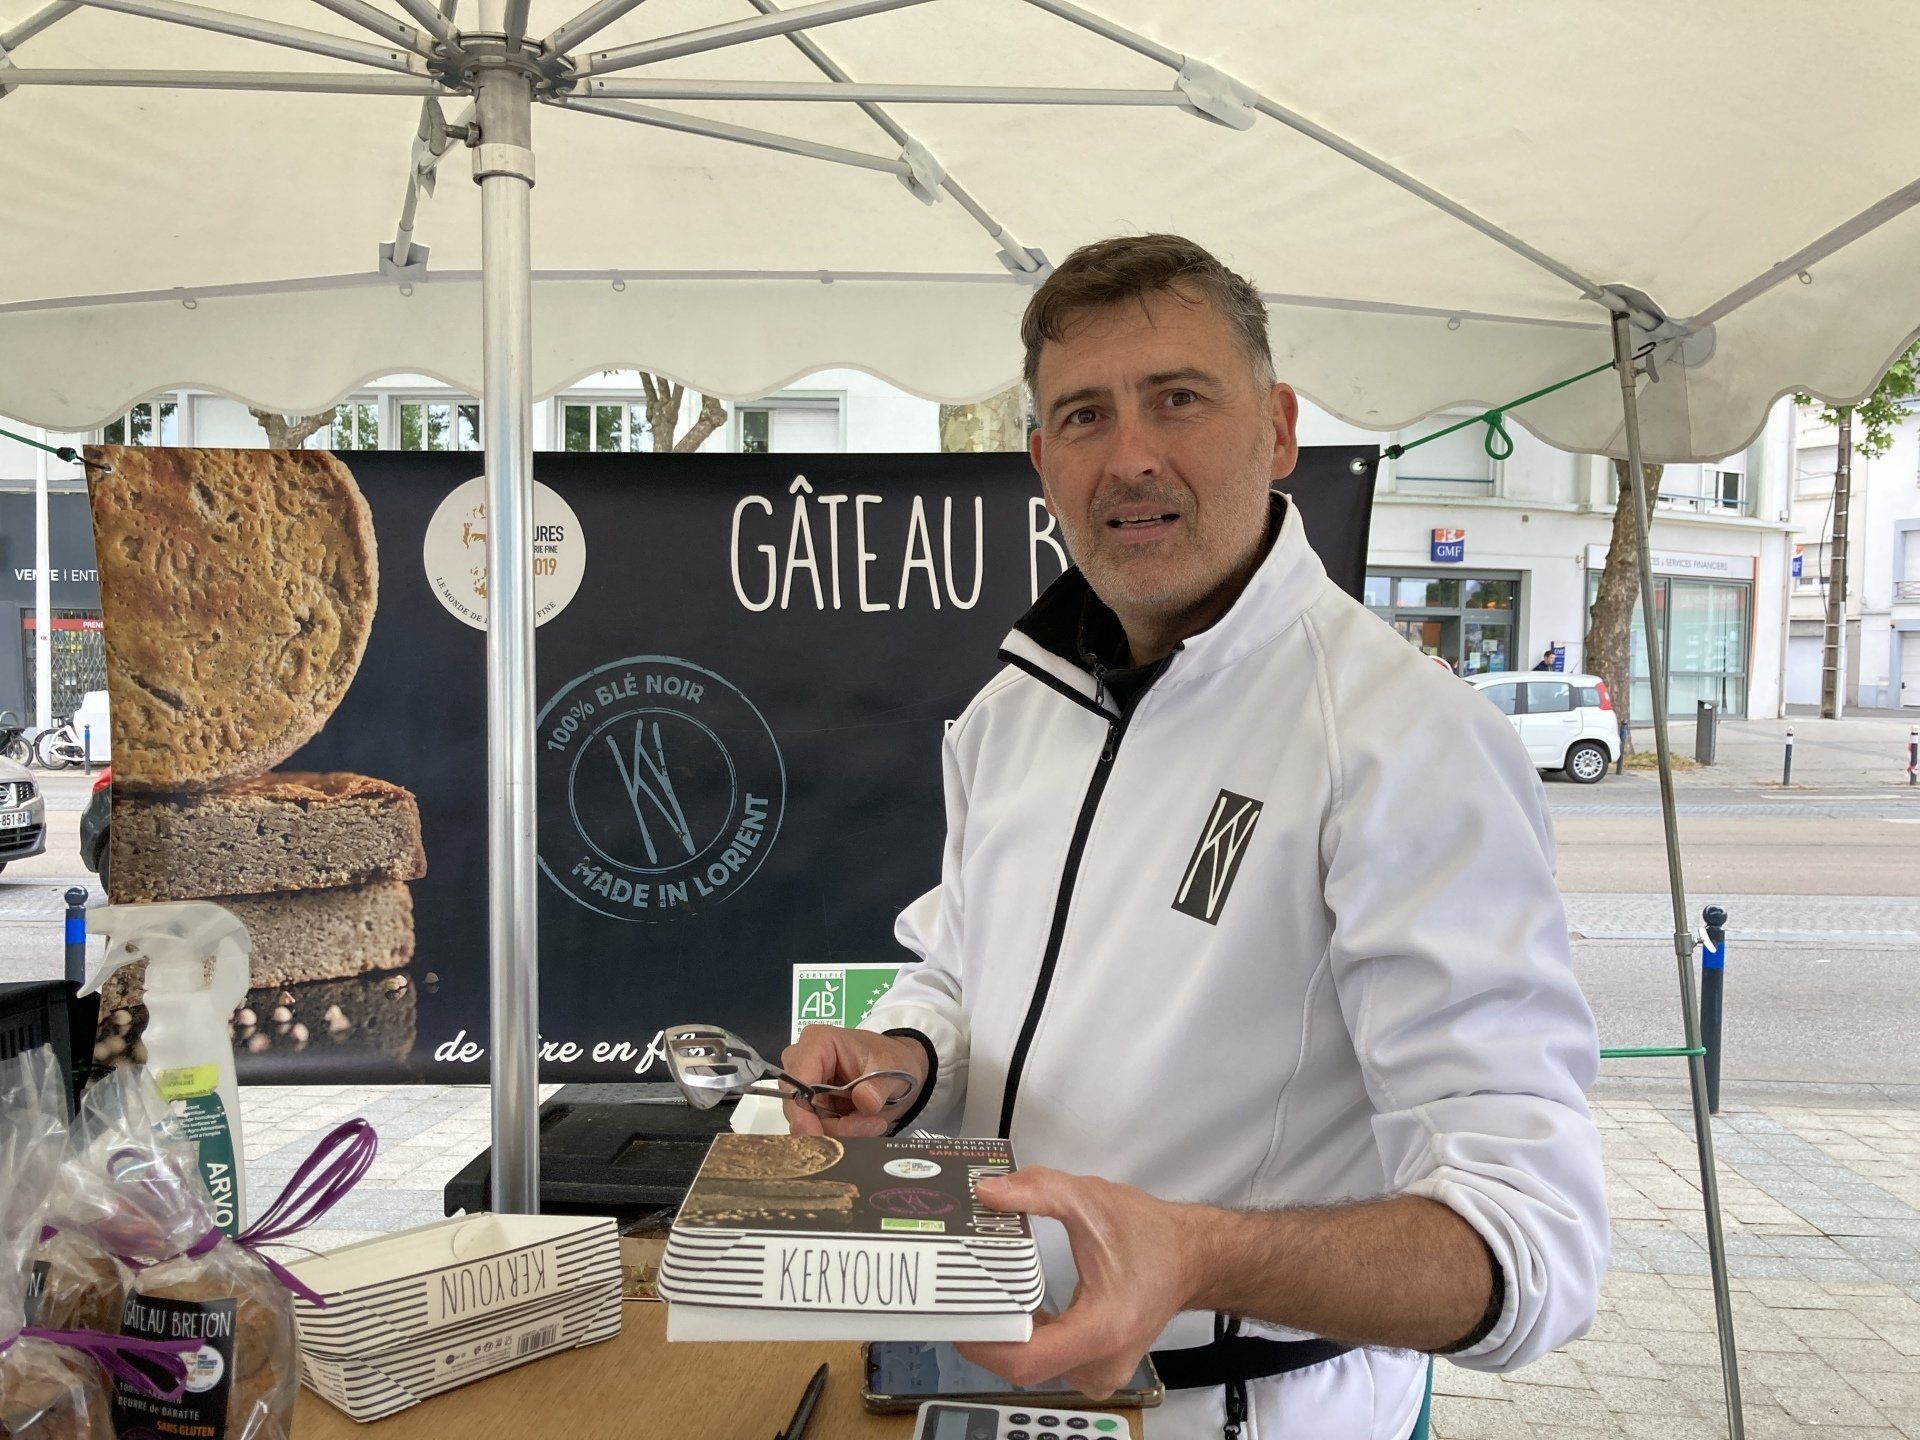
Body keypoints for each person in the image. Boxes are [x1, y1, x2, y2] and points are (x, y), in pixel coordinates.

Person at [781, 235, 1606, 1440]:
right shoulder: (1011, 713)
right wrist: (901, 1061)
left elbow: (1535, 1243)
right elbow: (961, 971)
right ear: (1039, 463)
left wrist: (1203, 1255)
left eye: (1177, 398)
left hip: (1246, 1413)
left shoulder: (1404, 738)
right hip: (983, 1384)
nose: (1131, 457)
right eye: (1083, 415)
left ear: (1277, 428)